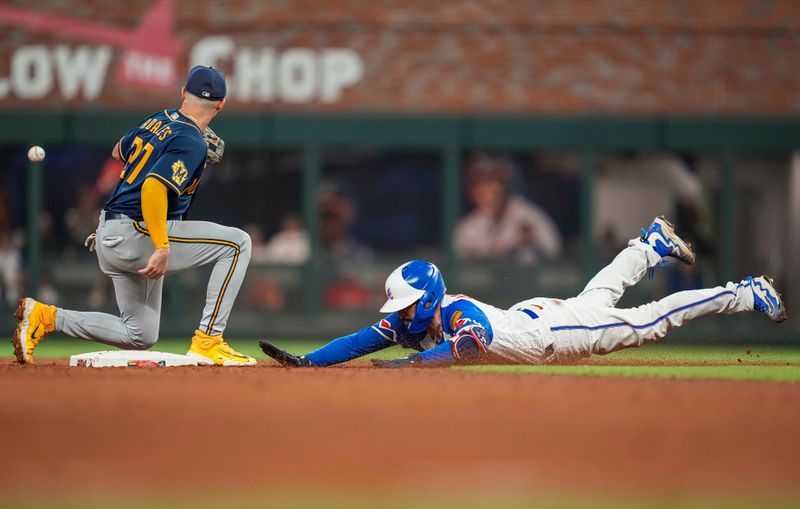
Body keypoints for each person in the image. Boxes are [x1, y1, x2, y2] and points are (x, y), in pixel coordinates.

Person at [260, 217, 786, 367]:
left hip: (556, 334)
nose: (398, 316)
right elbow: (358, 339)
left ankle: (745, 293)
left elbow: (466, 345)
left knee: (648, 321)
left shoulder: (460, 312)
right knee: (600, 293)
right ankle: (648, 246)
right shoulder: (408, 321)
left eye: (404, 305)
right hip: (532, 318)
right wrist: (309, 363)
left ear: (426, 299)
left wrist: (398, 368)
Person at [12, 66, 255, 366]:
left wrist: (167, 147)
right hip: (138, 232)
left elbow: (118, 152)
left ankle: (46, 317)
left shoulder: (157, 119)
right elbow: (152, 188)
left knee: (140, 334)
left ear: (182, 93)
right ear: (222, 104)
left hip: (110, 232)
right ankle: (209, 341)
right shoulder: (193, 141)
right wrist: (162, 246)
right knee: (237, 244)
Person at [454, 154, 562, 263]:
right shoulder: (468, 226)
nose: (488, 194)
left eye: (494, 185)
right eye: (483, 186)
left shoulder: (531, 217)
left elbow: (553, 255)